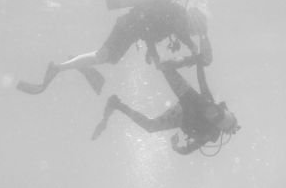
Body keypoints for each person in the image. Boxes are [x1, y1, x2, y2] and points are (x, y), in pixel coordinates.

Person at [16, 0, 210, 96]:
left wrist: (158, 52)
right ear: (193, 20)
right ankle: (59, 67)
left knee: (106, 57)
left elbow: (154, 29)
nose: (192, 33)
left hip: (129, 27)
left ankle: (67, 65)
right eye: (195, 30)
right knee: (103, 56)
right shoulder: (178, 18)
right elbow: (151, 32)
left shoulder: (176, 17)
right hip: (128, 28)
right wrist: (156, 55)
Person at [92, 56, 238, 155]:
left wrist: (198, 60)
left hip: (184, 106)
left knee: (151, 125)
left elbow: (202, 81)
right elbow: (186, 151)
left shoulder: (209, 130)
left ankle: (117, 104)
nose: (213, 114)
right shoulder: (209, 127)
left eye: (217, 118)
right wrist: (197, 60)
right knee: (166, 70)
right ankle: (118, 104)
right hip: (185, 105)